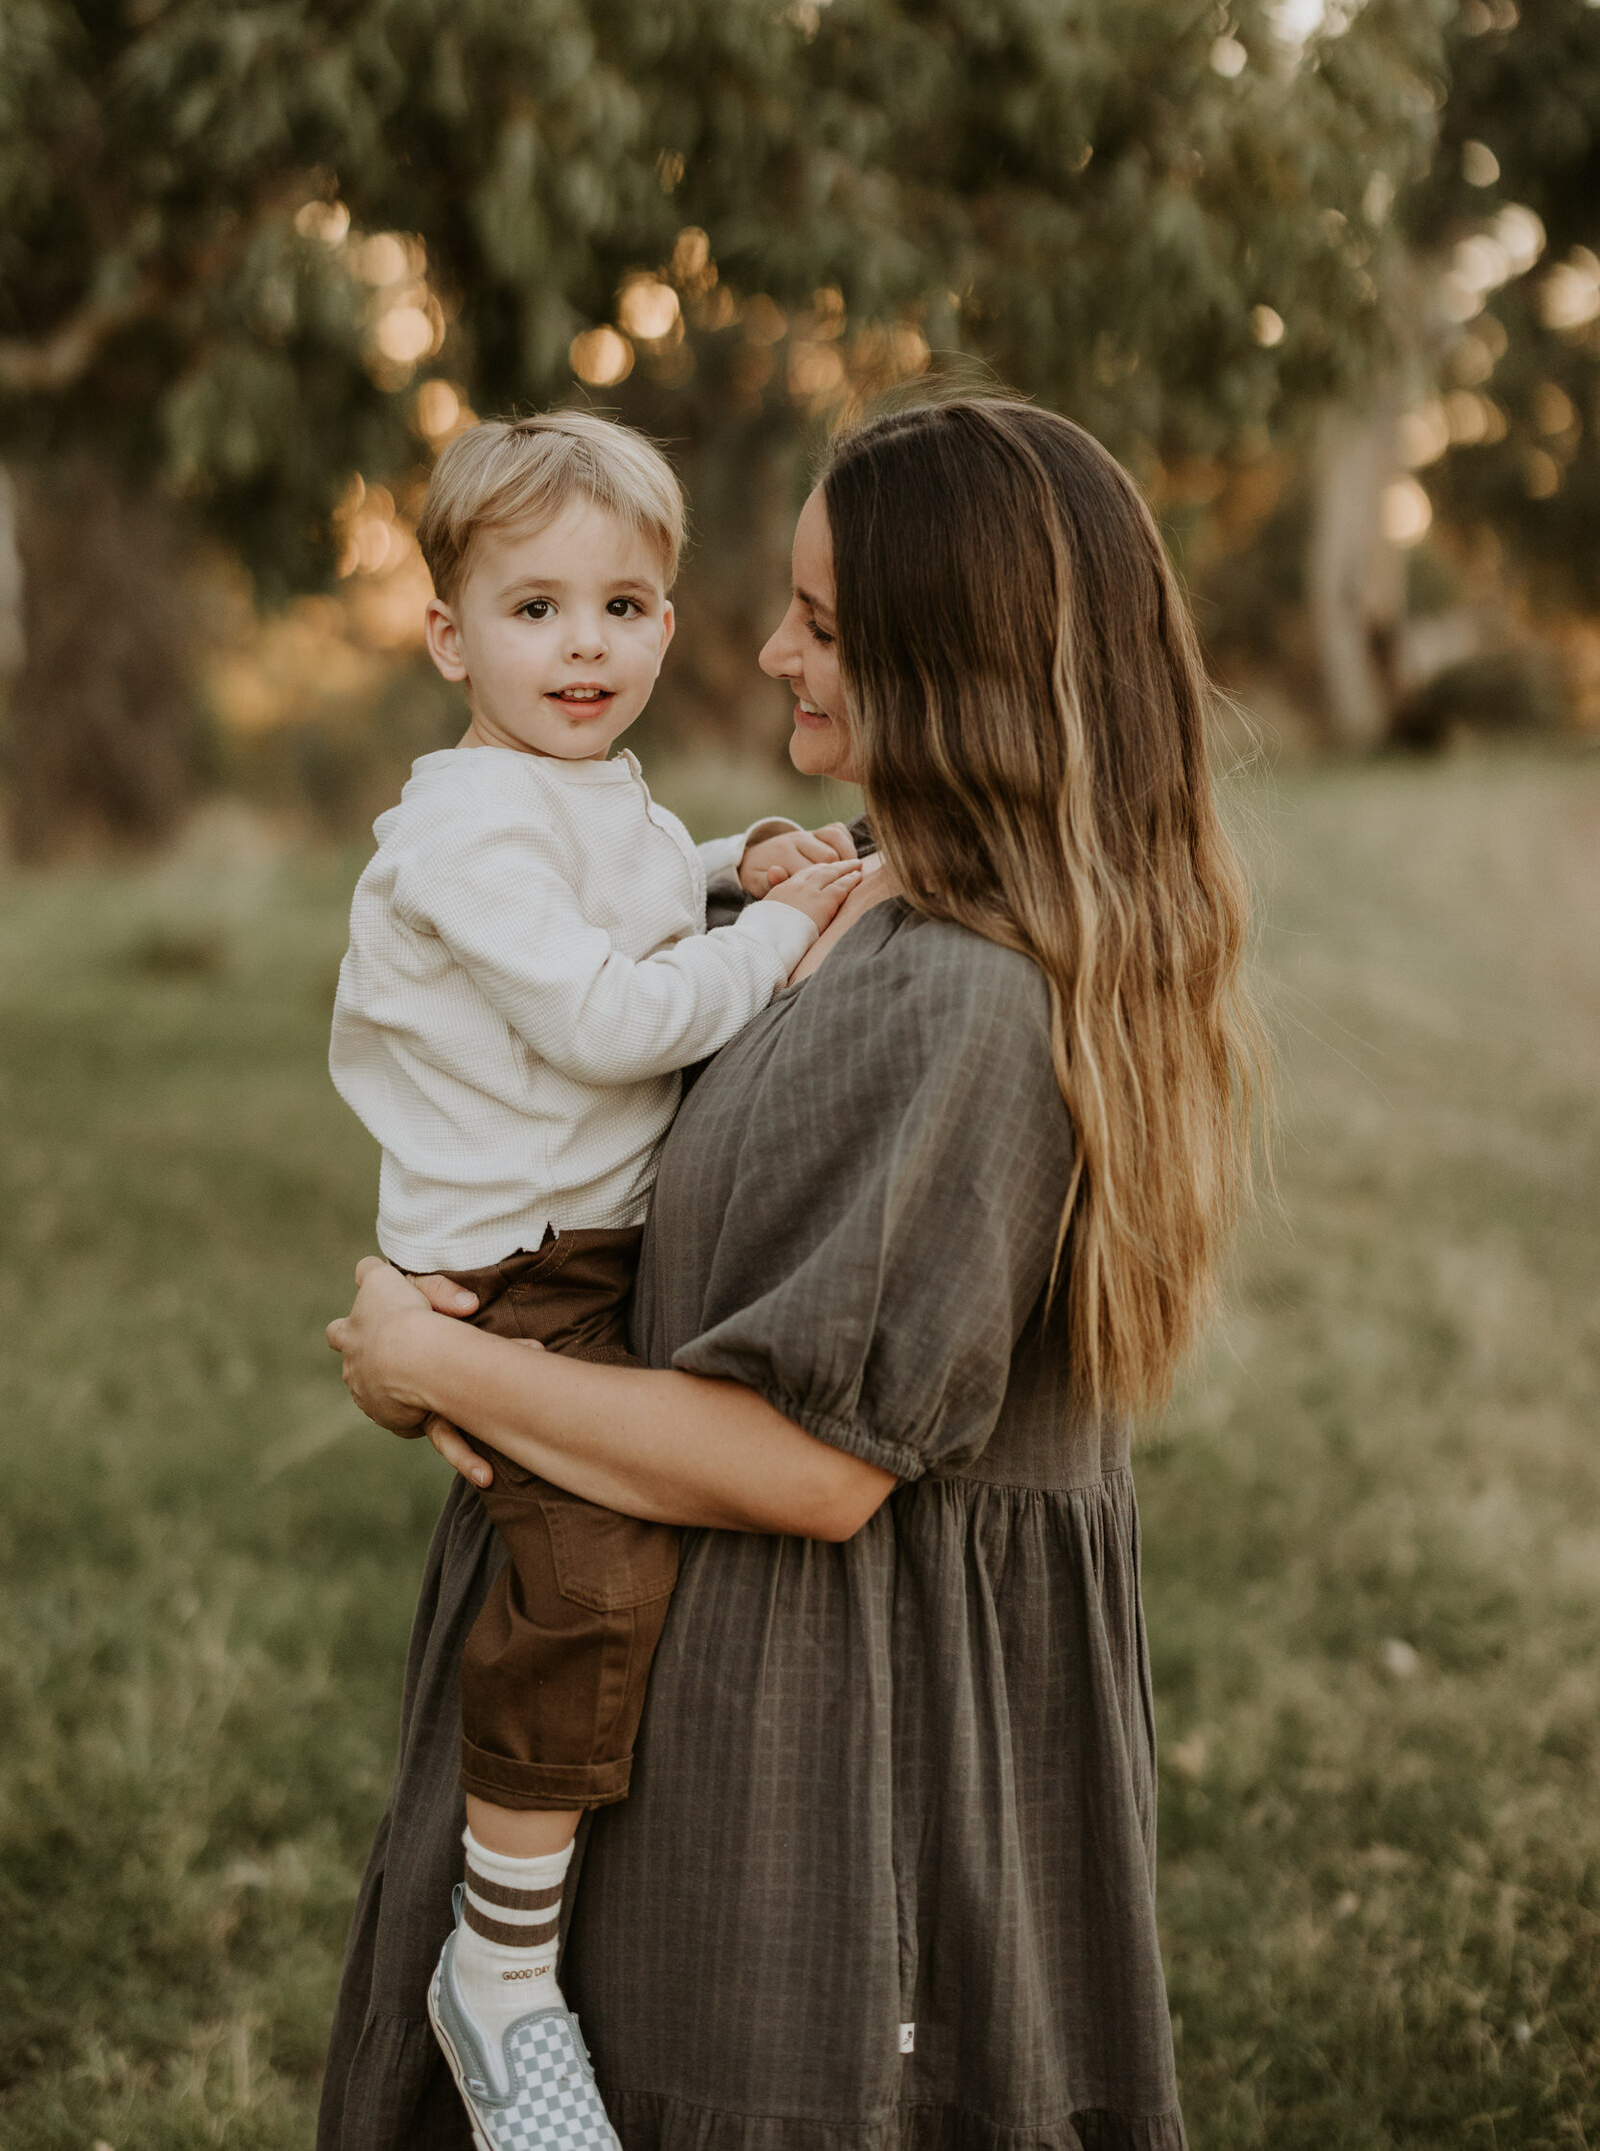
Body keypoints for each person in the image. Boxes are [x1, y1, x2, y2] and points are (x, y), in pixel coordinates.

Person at [321, 397, 1263, 2151]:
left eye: (821, 625)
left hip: (827, 1728)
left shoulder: (970, 999)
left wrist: (426, 1360)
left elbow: (813, 1467)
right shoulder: (873, 902)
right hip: (696, 1670)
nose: (760, 651)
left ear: (948, 662)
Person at [328, 410, 864, 2148]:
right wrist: (784, 940)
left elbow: (630, 892)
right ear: (445, 637)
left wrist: (731, 867)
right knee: (592, 1580)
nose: (587, 647)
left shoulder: (574, 791)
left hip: (576, 1248)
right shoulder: (467, 825)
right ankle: (497, 1973)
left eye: (626, 607)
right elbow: (608, 1010)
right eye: (538, 608)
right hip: (516, 1277)